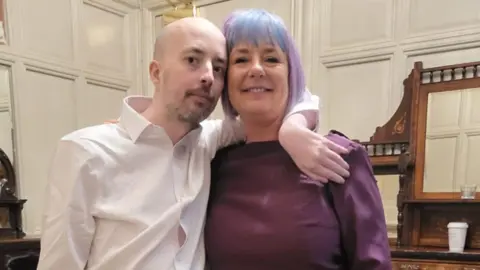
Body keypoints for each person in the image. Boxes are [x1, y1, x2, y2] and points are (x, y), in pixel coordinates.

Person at [37, 16, 351, 270]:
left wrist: (293, 131)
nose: (207, 77)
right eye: (192, 60)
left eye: (218, 68)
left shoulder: (212, 141)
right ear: (156, 72)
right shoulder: (86, 150)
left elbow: (288, 98)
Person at [204, 9, 392, 270]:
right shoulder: (212, 165)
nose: (256, 69)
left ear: (291, 76)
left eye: (271, 58)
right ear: (225, 81)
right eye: (241, 60)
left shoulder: (340, 156)